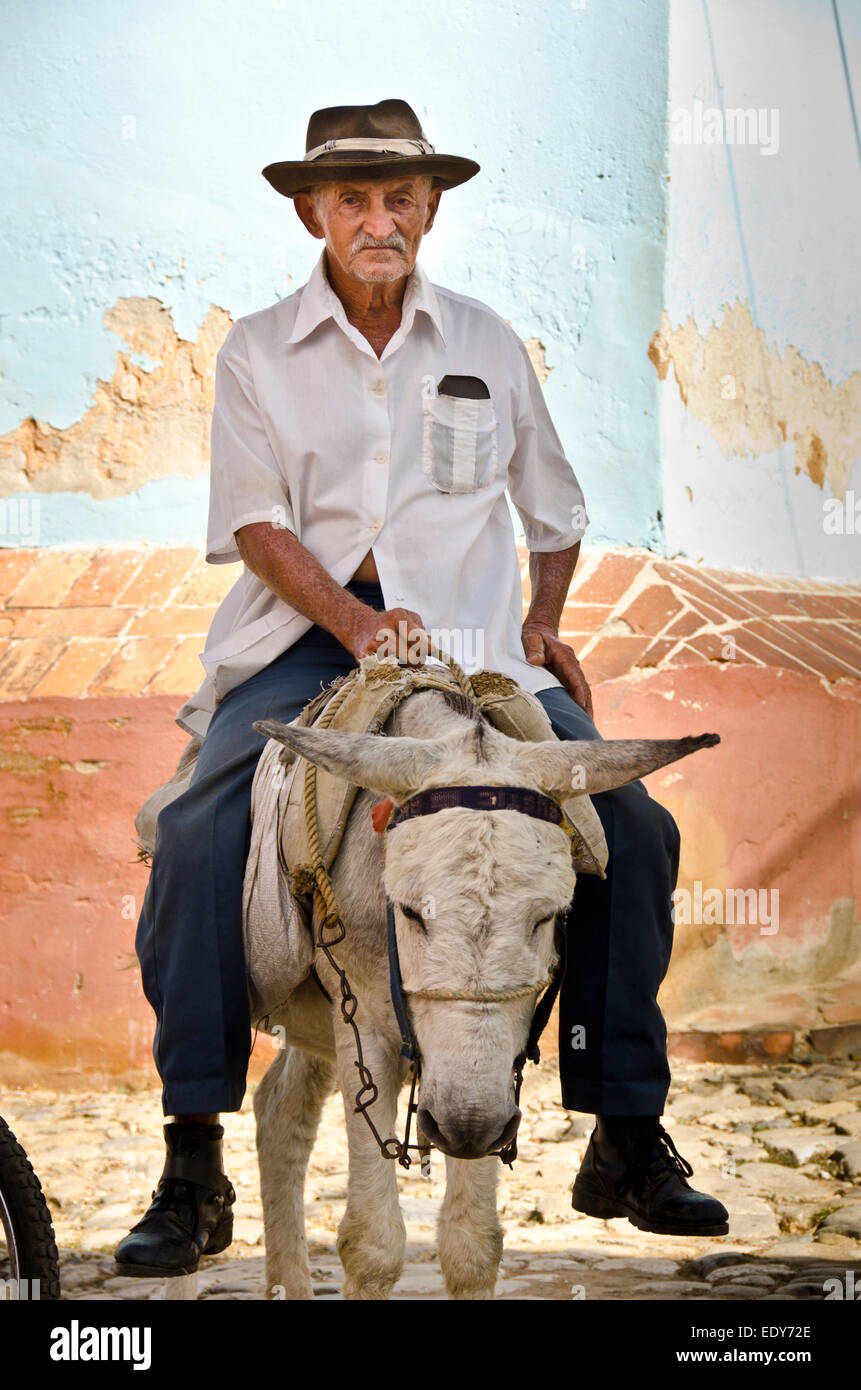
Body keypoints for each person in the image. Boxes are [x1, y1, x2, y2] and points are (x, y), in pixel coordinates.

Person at [115, 99, 727, 1279]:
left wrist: (543, 626)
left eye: (400, 197)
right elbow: (254, 521)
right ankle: (192, 1156)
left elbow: (554, 509)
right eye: (353, 198)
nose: (379, 219)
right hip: (301, 644)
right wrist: (353, 621)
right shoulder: (256, 350)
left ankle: (625, 1124)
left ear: (432, 207)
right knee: (196, 829)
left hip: (476, 649)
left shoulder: (488, 342)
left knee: (636, 828)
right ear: (312, 213)